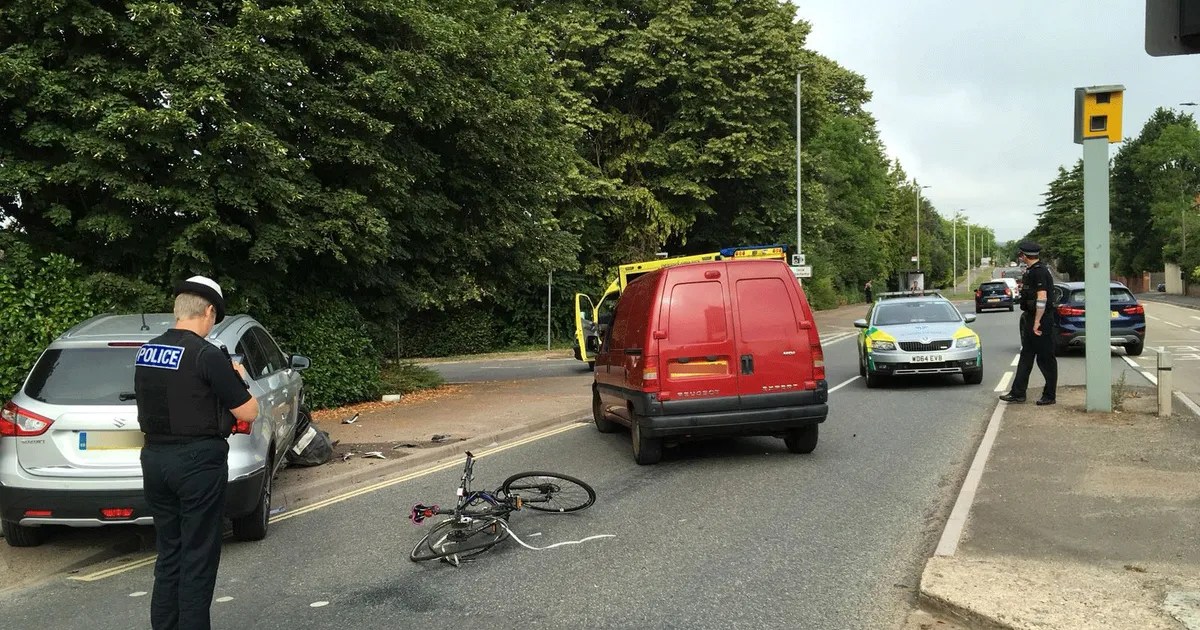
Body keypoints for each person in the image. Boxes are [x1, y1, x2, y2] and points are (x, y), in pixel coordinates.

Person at [135, 276, 260, 630]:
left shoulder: (148, 351)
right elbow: (248, 412)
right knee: (199, 557)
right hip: (197, 463)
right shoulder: (206, 355)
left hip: (155, 460)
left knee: (170, 553)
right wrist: (239, 377)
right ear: (208, 311)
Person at [1000, 242, 1058, 405]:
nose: (1021, 258)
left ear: (1024, 256)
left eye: (1021, 255)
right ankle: (1018, 393)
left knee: (1045, 359)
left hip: (1041, 319)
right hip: (1032, 317)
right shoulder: (1033, 271)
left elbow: (1042, 297)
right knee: (1026, 356)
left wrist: (1037, 322)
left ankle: (1049, 395)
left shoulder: (1039, 272)